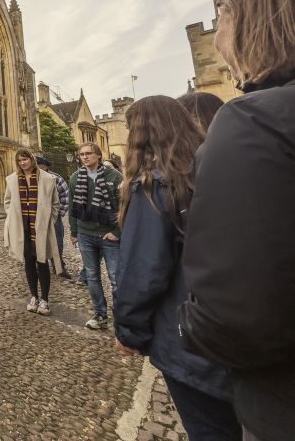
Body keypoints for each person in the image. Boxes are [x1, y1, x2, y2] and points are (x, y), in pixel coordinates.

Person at [179, 0, 295, 441]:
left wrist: (185, 325)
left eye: (224, 17)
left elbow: (232, 315)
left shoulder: (254, 120)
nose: (221, 44)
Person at [113, 96, 239, 440]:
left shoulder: (154, 186)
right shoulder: (218, 172)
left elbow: (143, 272)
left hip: (188, 337)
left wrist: (129, 333)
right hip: (235, 331)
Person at [69, 141, 123, 330]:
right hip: (85, 234)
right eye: (82, 154)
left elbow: (123, 207)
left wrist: (117, 232)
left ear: (98, 155)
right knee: (92, 276)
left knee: (116, 278)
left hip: (108, 236)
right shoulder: (75, 178)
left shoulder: (115, 176)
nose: (85, 157)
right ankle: (100, 315)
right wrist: (74, 232)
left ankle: (122, 319)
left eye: (88, 154)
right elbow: (72, 209)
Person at [4, 149, 62, 316]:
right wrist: (13, 216)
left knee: (42, 262)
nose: (23, 163)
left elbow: (55, 205)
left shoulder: (47, 178)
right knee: (28, 262)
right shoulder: (13, 180)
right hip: (23, 228)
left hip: (40, 228)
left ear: (32, 159)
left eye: (25, 159)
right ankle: (34, 296)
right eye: (20, 160)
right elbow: (7, 202)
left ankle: (45, 299)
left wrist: (48, 221)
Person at [35, 156, 70, 279]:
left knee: (57, 243)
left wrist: (57, 215)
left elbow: (65, 196)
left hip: (53, 217)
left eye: (37, 164)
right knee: (37, 243)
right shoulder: (30, 177)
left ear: (44, 166)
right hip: (35, 218)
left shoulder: (55, 178)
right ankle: (39, 267)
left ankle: (58, 266)